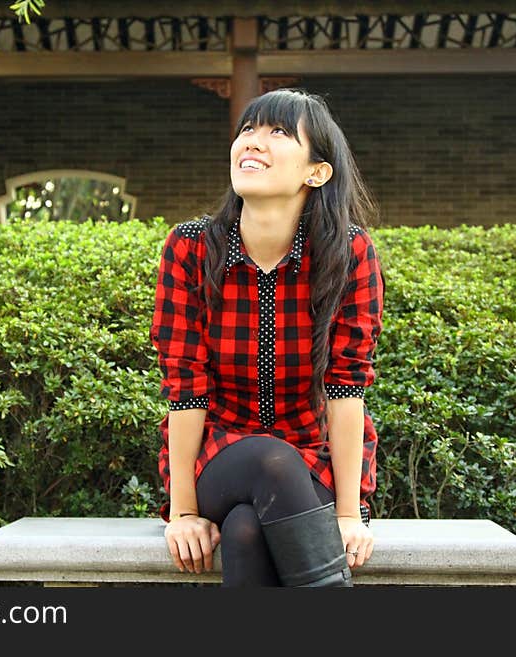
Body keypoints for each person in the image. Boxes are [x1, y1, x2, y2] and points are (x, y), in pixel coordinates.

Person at [149, 88, 385, 587]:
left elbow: (346, 387)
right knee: (266, 458)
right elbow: (185, 384)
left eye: (277, 132)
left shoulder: (347, 254)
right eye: (247, 131)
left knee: (245, 532)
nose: (253, 143)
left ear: (316, 172)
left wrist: (349, 513)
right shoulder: (190, 248)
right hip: (218, 459)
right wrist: (184, 512)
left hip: (316, 462)